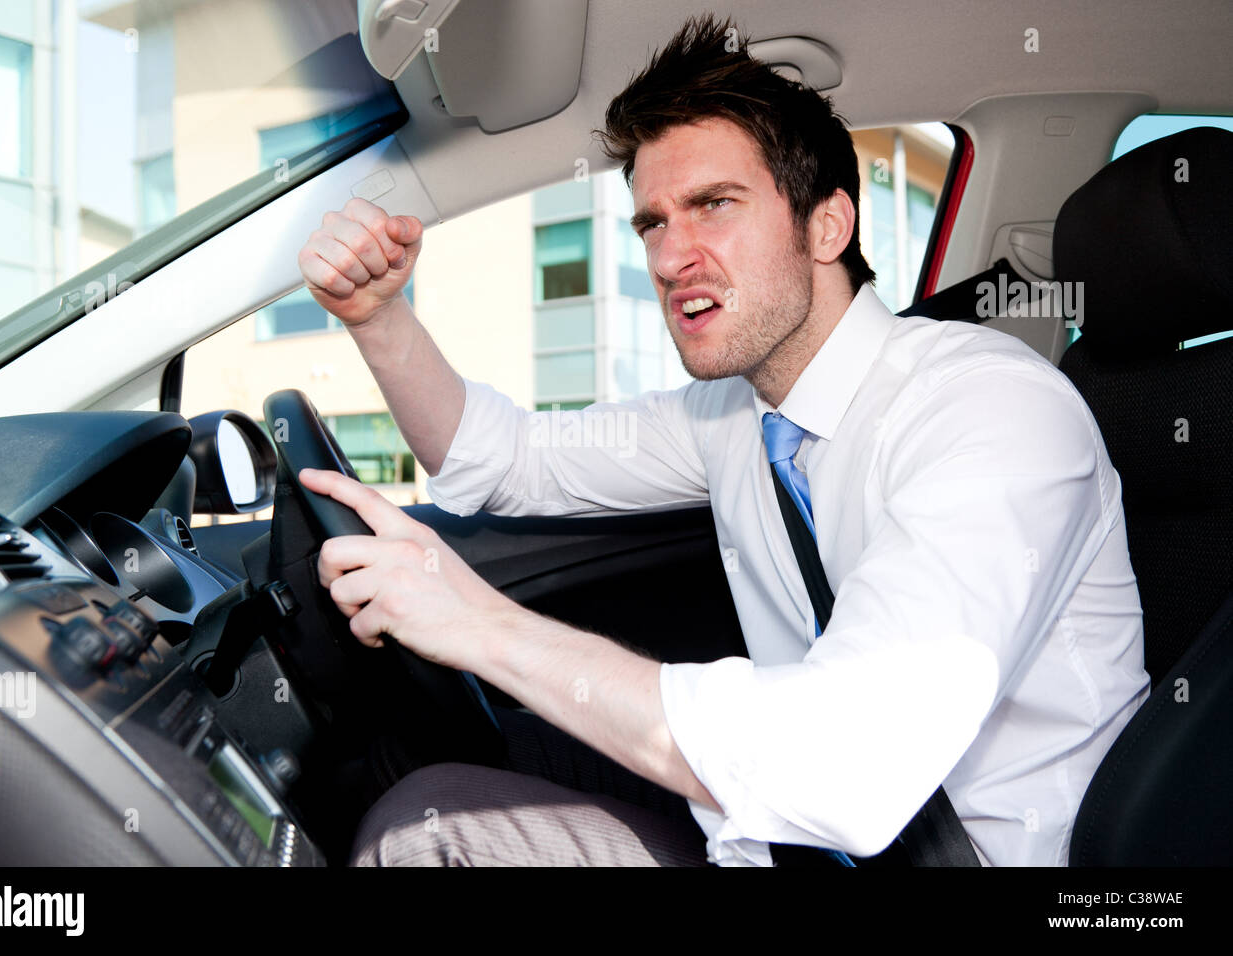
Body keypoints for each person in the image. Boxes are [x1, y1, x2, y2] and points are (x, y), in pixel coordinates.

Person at [294, 13, 1148, 866]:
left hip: (958, 854)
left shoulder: (992, 410)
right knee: (427, 761)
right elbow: (504, 459)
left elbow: (848, 766)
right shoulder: (733, 415)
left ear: (828, 227)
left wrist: (480, 624)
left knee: (431, 835)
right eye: (652, 223)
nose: (670, 257)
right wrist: (378, 315)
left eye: (713, 205)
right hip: (791, 829)